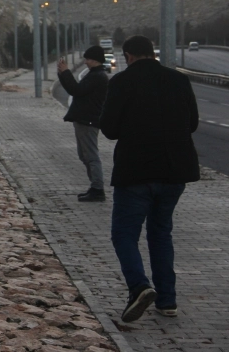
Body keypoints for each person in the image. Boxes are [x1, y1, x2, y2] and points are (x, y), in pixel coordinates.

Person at [100, 35, 199, 322]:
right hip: (174, 171)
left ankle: (139, 287)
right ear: (152, 54)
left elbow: (109, 129)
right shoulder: (178, 80)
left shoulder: (121, 82)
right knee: (160, 234)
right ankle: (167, 301)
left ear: (128, 55)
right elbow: (192, 123)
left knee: (124, 234)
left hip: (136, 171)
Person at [56, 45, 109, 202]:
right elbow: (75, 89)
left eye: (88, 59)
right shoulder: (95, 74)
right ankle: (94, 187)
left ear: (95, 60)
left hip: (89, 120)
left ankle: (98, 189)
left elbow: (76, 90)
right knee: (84, 155)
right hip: (84, 120)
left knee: (91, 156)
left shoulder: (97, 76)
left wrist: (66, 72)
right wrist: (63, 74)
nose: (85, 62)